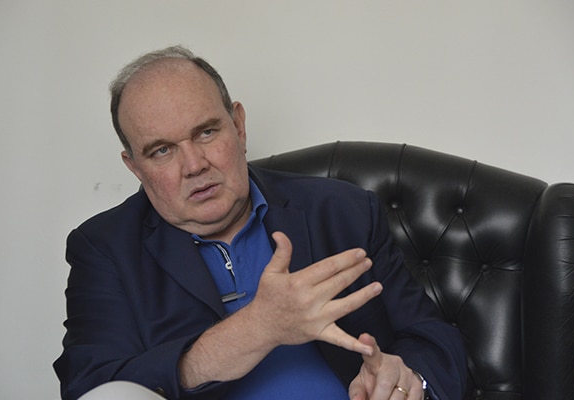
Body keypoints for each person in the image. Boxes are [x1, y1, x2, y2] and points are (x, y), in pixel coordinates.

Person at [54, 45, 467, 400]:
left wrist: (408, 379)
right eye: (162, 150)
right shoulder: (105, 247)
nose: (194, 165)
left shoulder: (343, 211)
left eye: (206, 132)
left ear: (238, 125)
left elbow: (433, 340)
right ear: (134, 167)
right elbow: (91, 386)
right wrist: (257, 328)